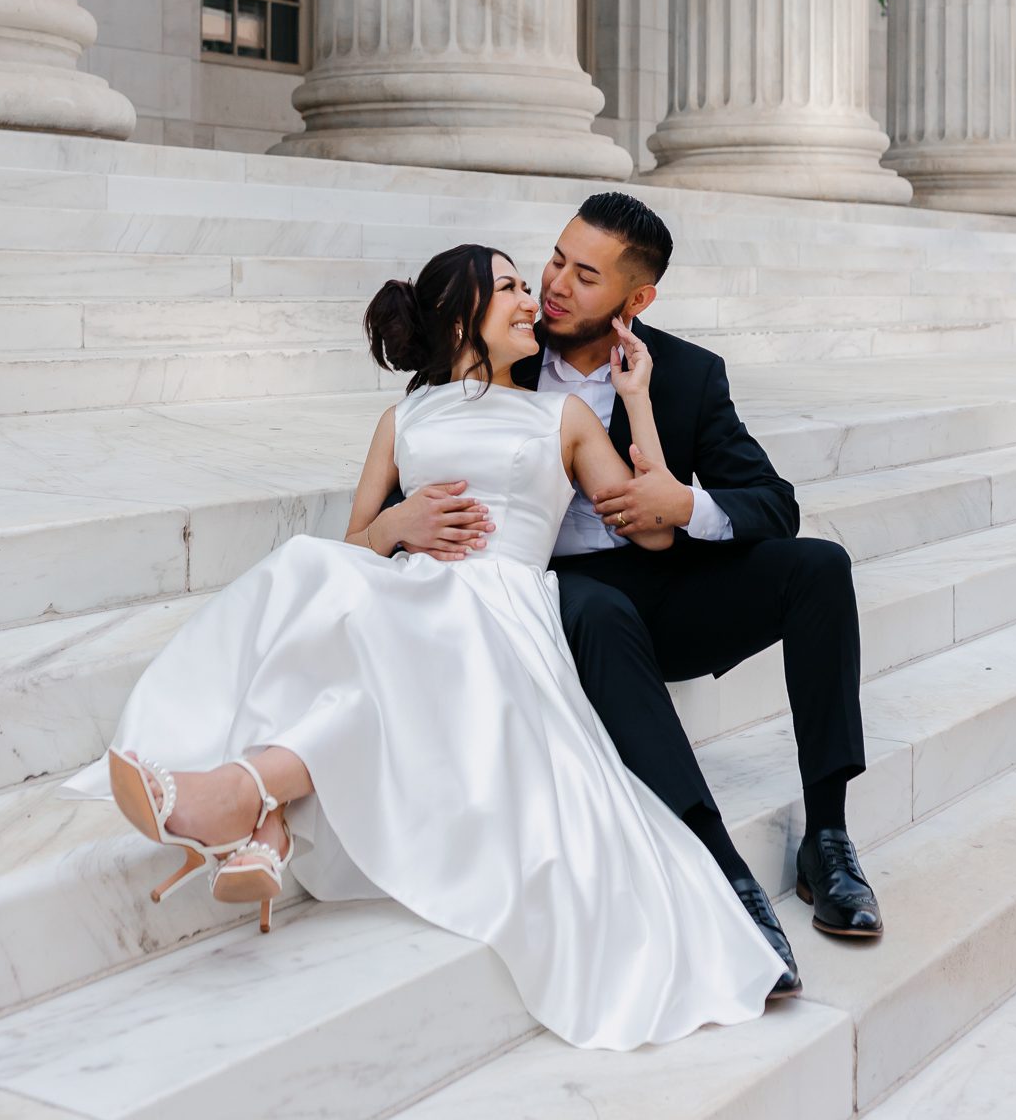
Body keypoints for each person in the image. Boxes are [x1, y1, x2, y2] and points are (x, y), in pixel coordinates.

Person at [60, 244, 787, 1050]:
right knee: (318, 576)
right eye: (508, 287)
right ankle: (256, 813)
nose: (531, 300)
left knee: (397, 633)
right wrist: (395, 526)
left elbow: (648, 533)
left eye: (524, 285)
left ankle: (248, 799)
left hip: (503, 609)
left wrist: (637, 400)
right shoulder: (403, 419)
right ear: (458, 316)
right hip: (413, 593)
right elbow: (353, 545)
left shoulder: (562, 417)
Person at [392, 194, 882, 994]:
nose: (554, 286)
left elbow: (772, 502)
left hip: (669, 586)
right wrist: (400, 525)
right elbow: (425, 452)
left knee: (819, 567)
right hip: (557, 597)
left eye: (585, 276)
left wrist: (684, 505)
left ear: (637, 297)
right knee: (597, 605)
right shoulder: (505, 347)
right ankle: (719, 867)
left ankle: (826, 838)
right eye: (555, 260)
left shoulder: (685, 373)